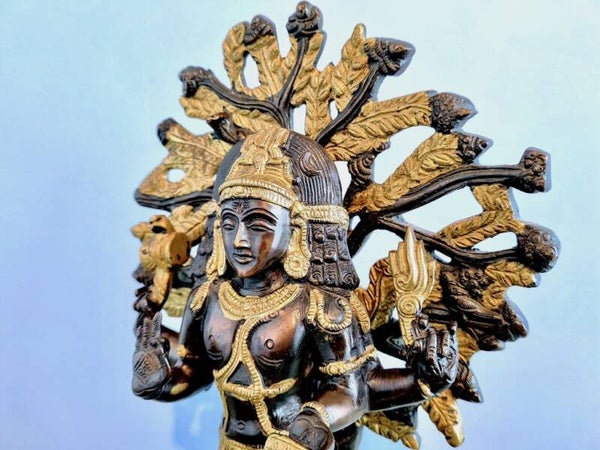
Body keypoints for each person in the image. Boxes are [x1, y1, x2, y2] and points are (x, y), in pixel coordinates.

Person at [132, 126, 457, 450]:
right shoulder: (206, 300)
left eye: (259, 224)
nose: (240, 240)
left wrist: (318, 417)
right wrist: (163, 382)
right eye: (229, 224)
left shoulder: (319, 308)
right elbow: (196, 370)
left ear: (296, 229)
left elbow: (354, 391)